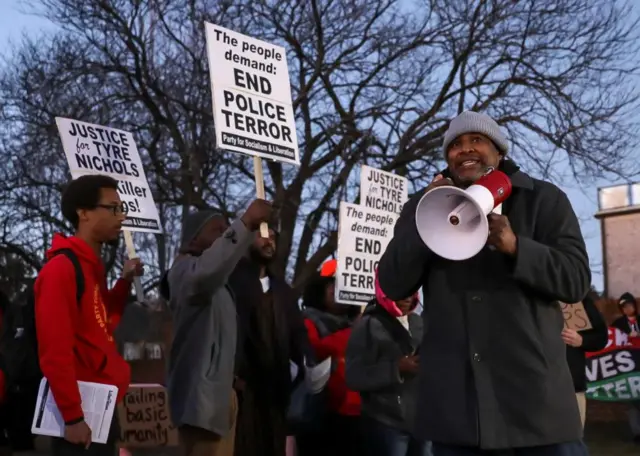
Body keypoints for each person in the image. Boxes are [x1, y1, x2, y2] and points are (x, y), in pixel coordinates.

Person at [378, 110, 591, 455]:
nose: (465, 150)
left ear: (499, 151)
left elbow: (576, 279)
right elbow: (391, 283)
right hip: (459, 416)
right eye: (456, 145)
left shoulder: (543, 199)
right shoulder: (422, 207)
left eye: (476, 140)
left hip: (537, 411)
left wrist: (516, 246)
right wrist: (427, 222)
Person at [35, 175, 143, 455]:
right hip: (80, 418)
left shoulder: (91, 269)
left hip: (100, 409)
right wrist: (72, 417)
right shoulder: (61, 269)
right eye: (114, 208)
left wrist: (124, 282)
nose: (123, 216)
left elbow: (102, 325)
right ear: (83, 213)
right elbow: (54, 351)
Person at [163, 200, 272, 456]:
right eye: (217, 230)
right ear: (192, 240)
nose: (225, 234)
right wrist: (244, 223)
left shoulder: (218, 284)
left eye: (227, 229)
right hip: (200, 400)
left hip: (219, 396)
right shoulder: (184, 273)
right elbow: (208, 271)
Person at [228, 228, 312, 456]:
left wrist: (301, 367)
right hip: (241, 393)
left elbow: (298, 335)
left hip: (276, 394)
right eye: (262, 235)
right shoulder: (230, 284)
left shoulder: (283, 291)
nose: (269, 242)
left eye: (273, 237)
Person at [346, 274, 431, 456]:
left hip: (422, 421)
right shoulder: (367, 326)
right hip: (386, 423)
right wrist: (396, 368)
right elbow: (354, 376)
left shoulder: (420, 323)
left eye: (412, 293)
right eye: (402, 293)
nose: (408, 299)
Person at [297, 260, 362, 456]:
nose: (338, 291)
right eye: (333, 285)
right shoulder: (307, 321)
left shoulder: (363, 324)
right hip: (322, 413)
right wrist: (354, 332)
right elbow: (317, 350)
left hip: (358, 414)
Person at [562, 292, 608, 428]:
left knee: (572, 441)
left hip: (572, 386)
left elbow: (600, 337)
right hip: (535, 387)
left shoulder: (575, 298)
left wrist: (582, 340)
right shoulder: (527, 298)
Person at [612, 292, 640, 444]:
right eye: (624, 307)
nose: (627, 309)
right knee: (632, 401)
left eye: (629, 305)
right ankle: (637, 433)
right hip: (627, 369)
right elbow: (611, 343)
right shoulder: (618, 324)